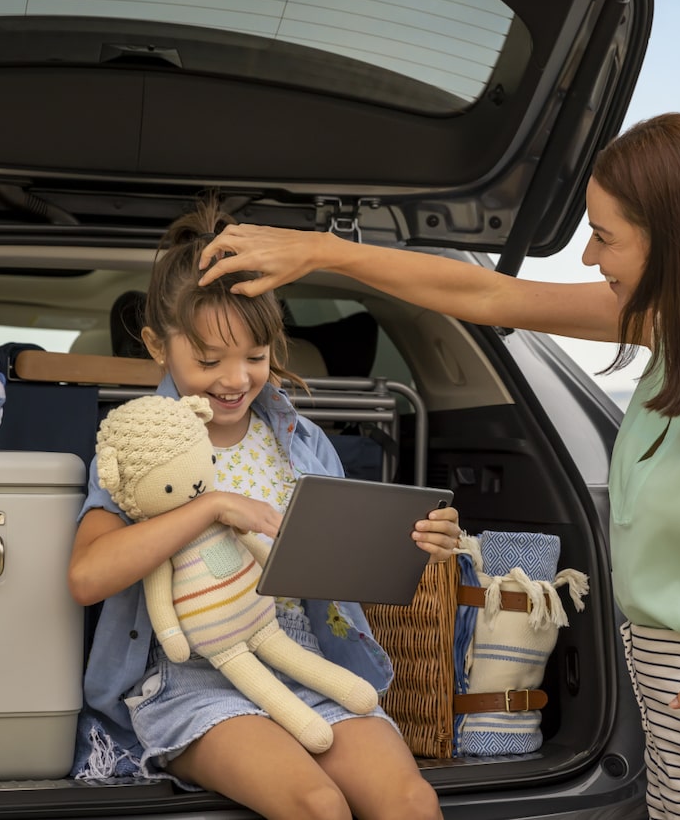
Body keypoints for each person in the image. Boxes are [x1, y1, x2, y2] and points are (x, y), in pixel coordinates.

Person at [198, 112, 680, 819]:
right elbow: (487, 295)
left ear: (676, 245)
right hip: (678, 725)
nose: (588, 259)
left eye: (604, 238)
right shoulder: (670, 334)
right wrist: (324, 253)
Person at [67, 195, 460, 820]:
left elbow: (344, 568)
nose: (235, 379)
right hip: (192, 679)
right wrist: (209, 507)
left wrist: (418, 542)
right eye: (207, 360)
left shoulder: (302, 441)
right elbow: (87, 576)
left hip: (306, 659)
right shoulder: (141, 446)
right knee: (316, 806)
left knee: (411, 802)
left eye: (255, 357)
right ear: (155, 345)